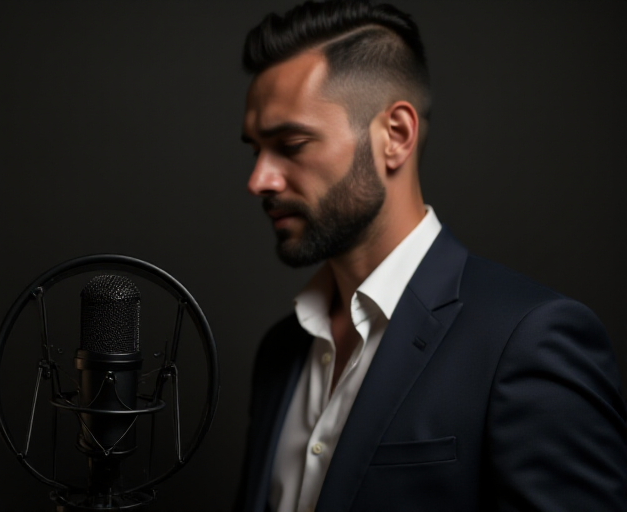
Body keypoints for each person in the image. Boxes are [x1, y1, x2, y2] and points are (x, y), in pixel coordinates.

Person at [234, 1, 627, 511]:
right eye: (255, 150)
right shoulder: (280, 352)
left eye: (292, 143)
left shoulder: (527, 341)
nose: (259, 180)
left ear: (395, 135)